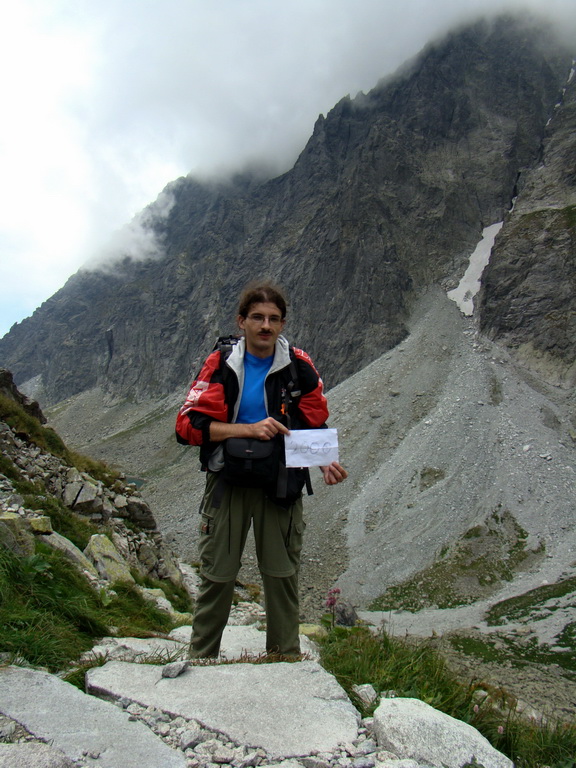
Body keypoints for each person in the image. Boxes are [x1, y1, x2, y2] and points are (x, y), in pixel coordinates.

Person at [175, 280, 347, 658]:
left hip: (280, 482)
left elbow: (312, 420)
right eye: (257, 317)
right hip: (228, 481)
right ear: (242, 322)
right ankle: (201, 660)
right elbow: (187, 427)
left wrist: (324, 461)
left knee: (282, 575)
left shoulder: (299, 367)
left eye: (273, 318)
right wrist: (248, 429)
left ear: (283, 324)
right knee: (217, 575)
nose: (265, 326)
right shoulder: (221, 364)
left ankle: (285, 660)